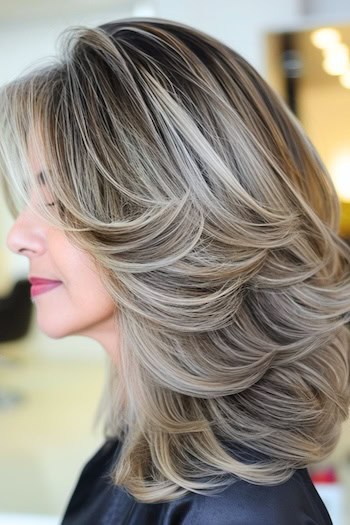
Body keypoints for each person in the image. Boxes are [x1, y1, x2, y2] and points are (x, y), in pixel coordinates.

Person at [0, 16, 349, 525]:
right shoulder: (138, 450)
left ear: (174, 218)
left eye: (57, 200)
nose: (19, 236)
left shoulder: (236, 509)